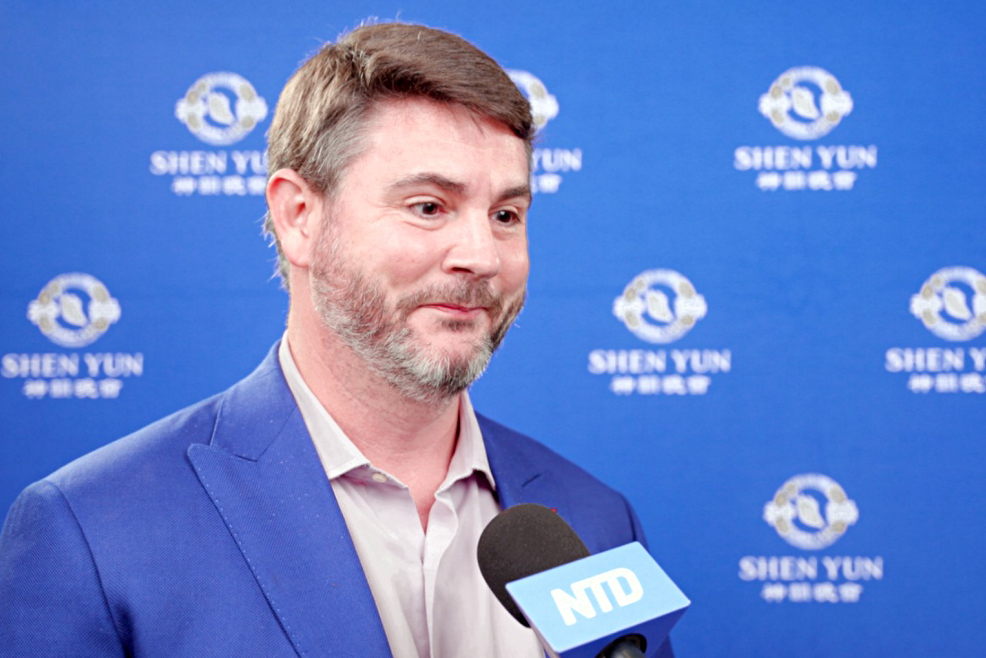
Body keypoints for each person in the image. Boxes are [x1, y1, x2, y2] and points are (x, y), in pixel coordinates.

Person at [0, 22, 673, 658]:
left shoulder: (597, 519)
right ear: (299, 216)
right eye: (428, 207)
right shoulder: (91, 530)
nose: (482, 256)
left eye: (506, 214)